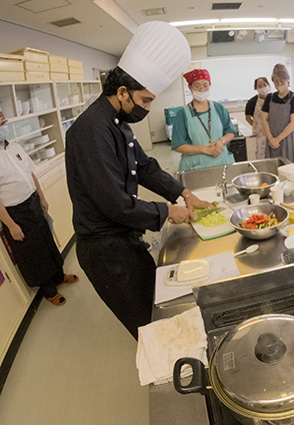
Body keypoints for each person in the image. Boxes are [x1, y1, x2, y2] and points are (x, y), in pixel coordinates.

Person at [65, 21, 211, 339]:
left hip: (123, 239)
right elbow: (114, 203)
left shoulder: (118, 122)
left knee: (156, 305)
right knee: (148, 323)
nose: (148, 107)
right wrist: (167, 212)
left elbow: (144, 167)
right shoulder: (92, 130)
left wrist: (184, 192)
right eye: (145, 100)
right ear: (122, 92)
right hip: (106, 252)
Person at [0, 113, 78, 306]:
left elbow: (30, 173)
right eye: (0, 124)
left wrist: (41, 196)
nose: (4, 127)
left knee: (46, 240)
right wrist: (10, 225)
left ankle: (59, 276)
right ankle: (48, 290)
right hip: (15, 213)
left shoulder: (15, 147)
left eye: (4, 122)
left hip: (33, 202)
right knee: (33, 253)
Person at [171, 69, 236, 171]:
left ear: (210, 85)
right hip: (195, 167)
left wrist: (221, 141)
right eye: (197, 86)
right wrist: (204, 149)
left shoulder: (219, 108)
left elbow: (230, 132)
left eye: (205, 85)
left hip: (222, 162)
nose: (202, 89)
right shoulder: (183, 114)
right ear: (190, 87)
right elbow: (178, 145)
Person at [261, 64, 294, 163]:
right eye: (276, 82)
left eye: (282, 81)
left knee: (289, 168)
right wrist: (271, 139)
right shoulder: (269, 97)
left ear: (288, 81)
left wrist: (278, 139)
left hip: (287, 139)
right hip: (271, 139)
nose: (279, 84)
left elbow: (293, 123)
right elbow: (264, 119)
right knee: (272, 168)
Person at [245, 77, 271, 159]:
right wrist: (256, 127)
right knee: (260, 154)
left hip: (272, 132)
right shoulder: (252, 102)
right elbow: (248, 117)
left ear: (269, 85)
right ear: (256, 88)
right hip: (259, 134)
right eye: (260, 86)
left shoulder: (273, 98)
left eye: (264, 84)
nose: (263, 87)